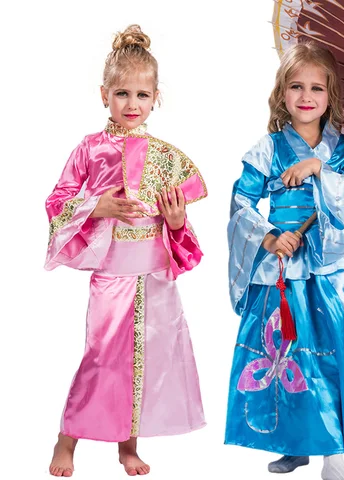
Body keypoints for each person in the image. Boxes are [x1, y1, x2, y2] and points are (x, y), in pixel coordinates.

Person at [46, 24, 207, 477]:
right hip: (113, 273)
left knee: (146, 362)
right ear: (104, 95)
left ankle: (127, 446)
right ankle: (66, 438)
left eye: (141, 95)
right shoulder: (90, 149)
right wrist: (96, 206)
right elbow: (57, 202)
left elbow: (180, 229)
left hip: (154, 274)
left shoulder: (165, 157)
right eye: (122, 94)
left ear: (156, 97)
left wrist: (175, 222)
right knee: (101, 357)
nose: (131, 104)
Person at [225, 42, 344, 480]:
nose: (306, 96)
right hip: (282, 270)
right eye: (296, 86)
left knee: (331, 355)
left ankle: (334, 456)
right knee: (288, 354)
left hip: (329, 274)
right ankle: (293, 444)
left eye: (317, 87)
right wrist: (271, 236)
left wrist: (318, 169)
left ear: (331, 96)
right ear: (282, 93)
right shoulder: (268, 148)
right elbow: (240, 204)